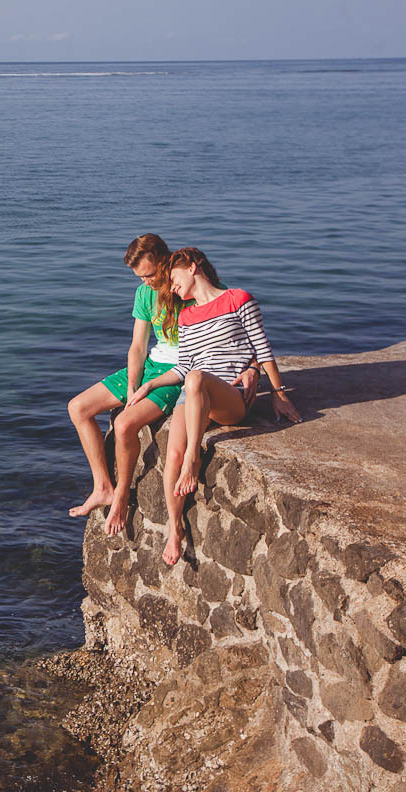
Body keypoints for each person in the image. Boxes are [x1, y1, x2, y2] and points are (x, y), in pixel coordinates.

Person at [67, 235, 257, 535]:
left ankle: (121, 495)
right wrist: (132, 385)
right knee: (77, 407)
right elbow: (138, 347)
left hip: (178, 373)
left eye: (150, 274)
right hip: (151, 366)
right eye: (140, 277)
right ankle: (102, 486)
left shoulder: (187, 289)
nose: (146, 282)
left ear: (165, 260)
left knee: (125, 424)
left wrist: (252, 367)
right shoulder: (144, 293)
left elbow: (236, 332)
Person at [128, 247, 301, 565]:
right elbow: (183, 367)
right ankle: (175, 527)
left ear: (193, 267)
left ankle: (195, 457)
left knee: (195, 384)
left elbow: (262, 349)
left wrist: (279, 393)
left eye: (173, 277)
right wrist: (149, 384)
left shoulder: (238, 299)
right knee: (172, 454)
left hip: (228, 397)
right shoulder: (186, 314)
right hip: (193, 392)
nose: (170, 285)